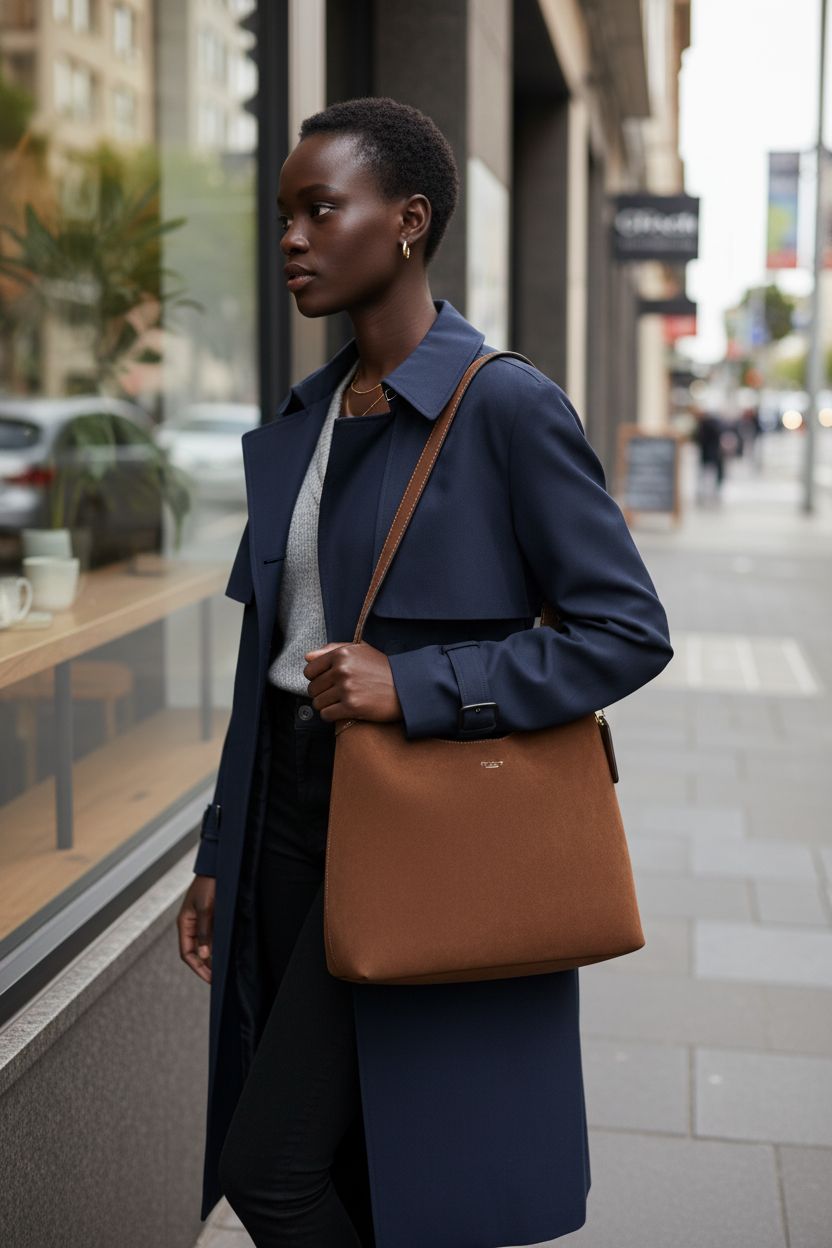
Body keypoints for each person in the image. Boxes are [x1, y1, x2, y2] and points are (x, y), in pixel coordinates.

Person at [176, 96, 674, 1248]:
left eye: (320, 209)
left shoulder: (503, 404)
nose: (291, 238)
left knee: (272, 1171)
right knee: (354, 1160)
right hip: (287, 811)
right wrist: (216, 852)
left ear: (407, 221)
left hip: (421, 819)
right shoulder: (306, 418)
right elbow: (268, 662)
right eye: (284, 214)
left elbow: (626, 630)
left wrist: (420, 684)